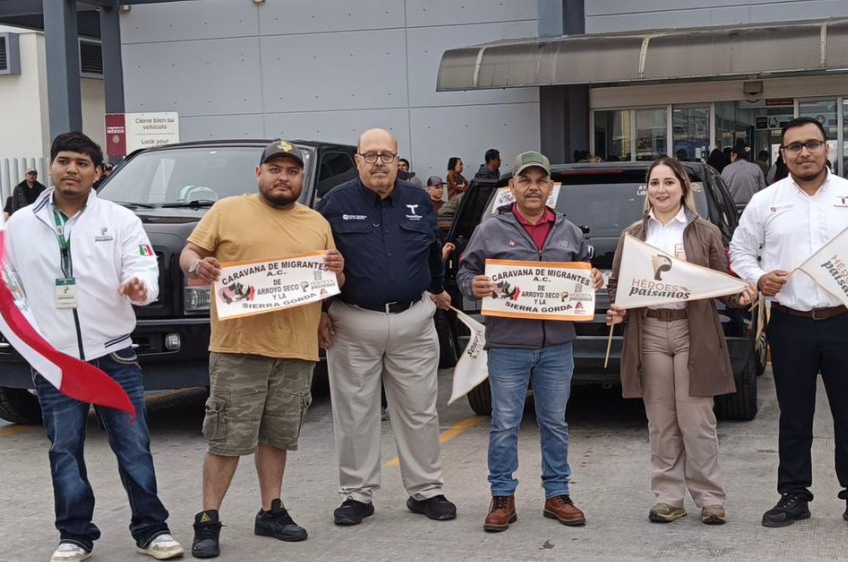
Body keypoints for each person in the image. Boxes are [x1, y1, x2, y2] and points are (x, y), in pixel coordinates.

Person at [0, 131, 183, 562]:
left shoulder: (120, 220)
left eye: (83, 164)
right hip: (54, 360)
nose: (73, 169)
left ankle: (152, 529)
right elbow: (1, 290)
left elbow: (142, 267)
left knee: (133, 446)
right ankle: (75, 536)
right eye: (64, 161)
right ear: (50, 167)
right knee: (64, 449)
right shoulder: (20, 224)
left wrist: (141, 288)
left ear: (98, 172)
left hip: (114, 355)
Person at [729, 117, 848, 534]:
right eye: (794, 147)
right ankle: (794, 495)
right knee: (794, 416)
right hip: (789, 324)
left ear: (827, 148)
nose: (804, 153)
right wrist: (759, 278)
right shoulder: (766, 201)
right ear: (783, 154)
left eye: (812, 144)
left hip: (844, 321)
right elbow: (740, 251)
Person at [181, 140, 344, 558]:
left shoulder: (316, 222)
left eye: (291, 171)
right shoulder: (227, 211)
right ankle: (208, 519)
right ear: (259, 174)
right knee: (227, 438)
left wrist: (333, 286)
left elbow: (329, 282)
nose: (282, 177)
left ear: (302, 179)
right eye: (275, 169)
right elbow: (191, 253)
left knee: (278, 437)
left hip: (296, 349)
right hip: (239, 348)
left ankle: (271, 510)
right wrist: (197, 266)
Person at [456, 151, 604, 532]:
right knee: (505, 423)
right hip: (508, 344)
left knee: (555, 422)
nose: (533, 187)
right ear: (512, 188)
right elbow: (465, 271)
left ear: (551, 188)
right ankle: (502, 497)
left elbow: (583, 274)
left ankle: (557, 495)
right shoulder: (490, 230)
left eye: (541, 180)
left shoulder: (569, 231)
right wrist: (472, 285)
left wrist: (594, 281)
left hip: (556, 344)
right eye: (525, 180)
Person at [317, 128, 457, 527]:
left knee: (419, 410)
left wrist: (438, 289)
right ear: (357, 160)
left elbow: (432, 251)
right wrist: (320, 311)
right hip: (353, 322)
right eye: (371, 155)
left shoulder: (417, 201)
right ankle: (356, 495)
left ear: (399, 161)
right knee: (355, 414)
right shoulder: (334, 203)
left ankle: (426, 490)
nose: (379, 162)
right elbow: (319, 264)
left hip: (413, 319)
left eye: (387, 155)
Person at [605, 157, 756, 525]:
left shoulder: (705, 232)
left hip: (694, 332)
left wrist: (741, 296)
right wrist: (617, 308)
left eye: (669, 182)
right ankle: (668, 497)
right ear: (648, 190)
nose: (661, 190)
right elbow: (618, 286)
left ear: (683, 187)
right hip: (651, 331)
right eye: (655, 183)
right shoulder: (634, 234)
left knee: (697, 419)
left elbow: (721, 281)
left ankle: (710, 499)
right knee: (660, 420)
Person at [721, 140, 767, 207]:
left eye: (731, 155)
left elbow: (722, 192)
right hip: (752, 207)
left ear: (735, 155)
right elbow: (763, 191)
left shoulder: (727, 169)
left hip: (732, 209)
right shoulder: (756, 168)